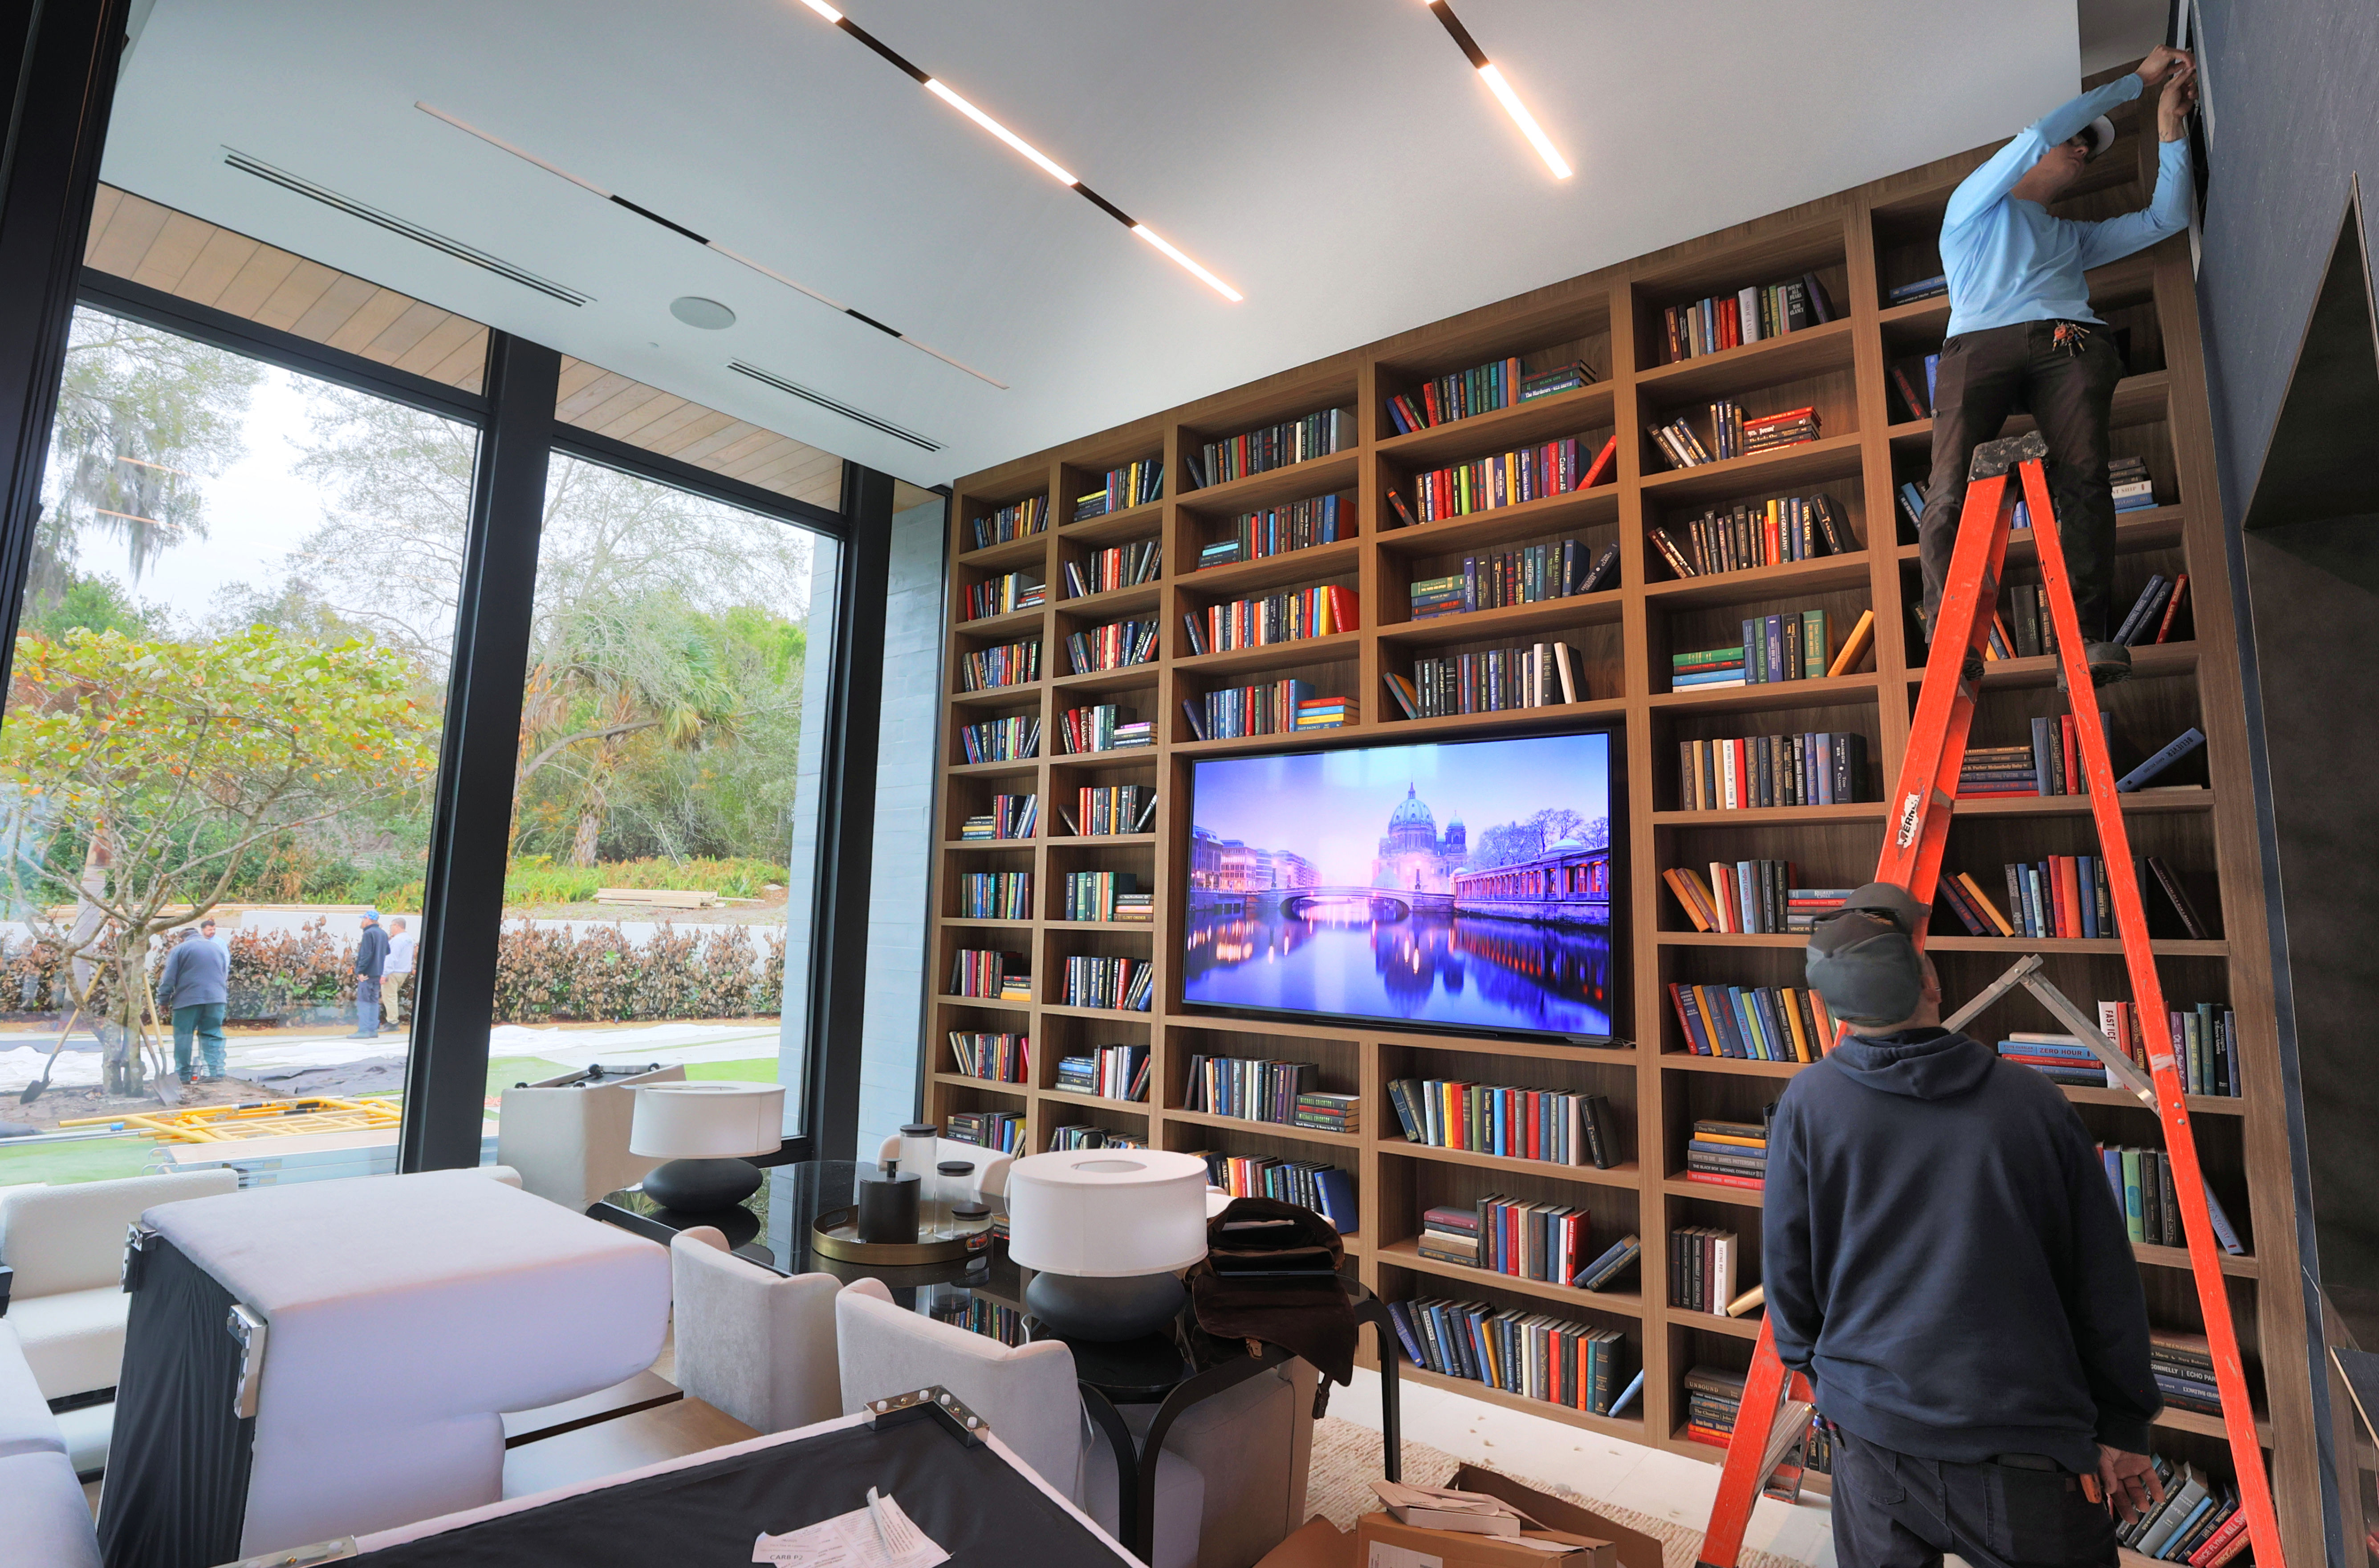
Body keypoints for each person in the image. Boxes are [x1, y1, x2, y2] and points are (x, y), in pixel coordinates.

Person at [1765, 883, 2164, 1567]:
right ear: (1930, 981)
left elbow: (1788, 1274)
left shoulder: (1806, 1104)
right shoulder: (2032, 1101)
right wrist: (2123, 1423)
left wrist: (1820, 1376)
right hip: (2026, 1454)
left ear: (1829, 1006)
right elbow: (2103, 1280)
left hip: (1872, 1438)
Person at [1919, 47, 2199, 688]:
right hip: (1977, 346)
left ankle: (2084, 636)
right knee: (1947, 487)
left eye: (2087, 147)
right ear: (2029, 160)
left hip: (2066, 341)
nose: (2080, 151)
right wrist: (2134, 79)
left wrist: (2167, 128)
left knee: (2084, 479)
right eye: (2073, 141)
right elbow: (2038, 132)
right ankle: (1949, 639)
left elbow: (2167, 218)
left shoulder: (2070, 239)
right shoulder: (1970, 209)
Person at [157, 924, 229, 1083]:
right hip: (216, 999)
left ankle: (183, 1075)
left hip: (188, 1000)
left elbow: (169, 978)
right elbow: (224, 974)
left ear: (182, 939)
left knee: (184, 1036)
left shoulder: (180, 949)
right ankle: (215, 1073)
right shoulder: (216, 948)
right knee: (212, 1033)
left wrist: (163, 1001)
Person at [350, 908, 389, 1040]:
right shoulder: (382, 933)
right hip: (378, 973)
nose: (362, 921)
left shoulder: (368, 934)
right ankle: (373, 1029)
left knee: (364, 1002)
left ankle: (364, 1030)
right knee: (373, 1002)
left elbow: (366, 955)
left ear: (368, 919)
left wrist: (360, 971)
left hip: (367, 974)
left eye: (363, 919)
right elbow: (387, 951)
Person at [382, 916, 415, 1030]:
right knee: (392, 996)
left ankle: (392, 1023)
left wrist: (385, 973)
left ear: (397, 926)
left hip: (393, 972)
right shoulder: (409, 939)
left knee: (390, 997)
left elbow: (391, 958)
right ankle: (392, 1021)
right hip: (403, 972)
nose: (391, 928)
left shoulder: (397, 940)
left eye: (391, 926)